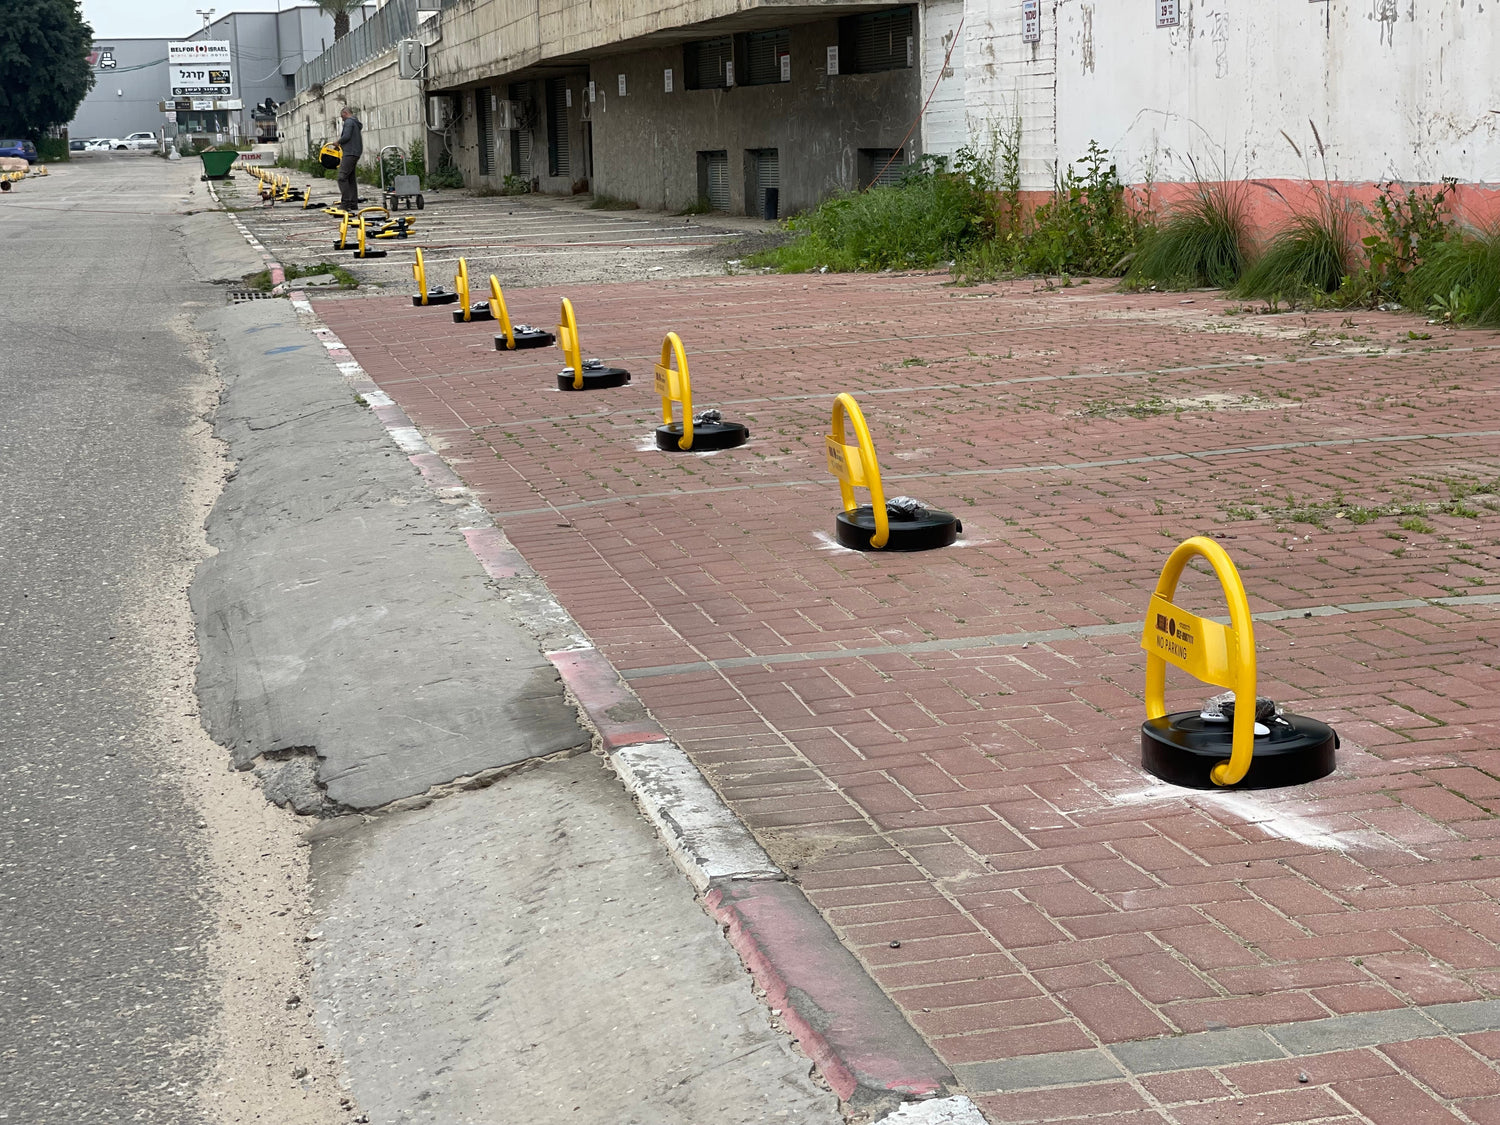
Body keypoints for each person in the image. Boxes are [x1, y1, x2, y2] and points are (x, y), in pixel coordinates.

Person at [336, 106, 363, 208]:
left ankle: (345, 203)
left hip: (350, 153)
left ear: (345, 113)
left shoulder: (349, 122)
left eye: (342, 116)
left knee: (342, 178)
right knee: (350, 178)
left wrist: (338, 142)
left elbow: (346, 136)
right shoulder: (355, 122)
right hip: (355, 152)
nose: (342, 118)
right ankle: (353, 203)